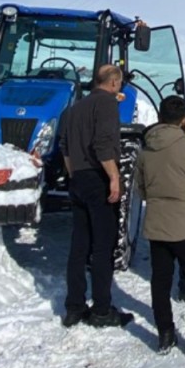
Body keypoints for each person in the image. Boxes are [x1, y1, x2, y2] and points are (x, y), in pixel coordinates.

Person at [134, 96, 185, 356]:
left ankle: (165, 334)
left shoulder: (146, 150)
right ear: (183, 120)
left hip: (158, 222)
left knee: (160, 280)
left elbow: (140, 188)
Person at [58, 63, 133, 329]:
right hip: (97, 178)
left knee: (79, 245)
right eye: (120, 83)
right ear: (113, 83)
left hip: (77, 178)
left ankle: (74, 306)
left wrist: (73, 174)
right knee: (103, 246)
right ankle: (102, 310)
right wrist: (113, 177)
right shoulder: (106, 105)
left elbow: (65, 146)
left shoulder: (74, 109)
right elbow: (103, 144)